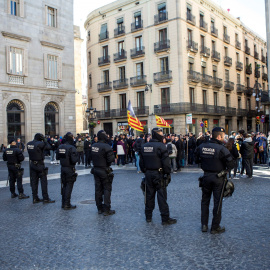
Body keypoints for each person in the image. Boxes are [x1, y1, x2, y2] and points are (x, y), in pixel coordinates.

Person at [195, 127, 235, 234]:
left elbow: (196, 159)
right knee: (217, 203)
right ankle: (215, 227)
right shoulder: (222, 149)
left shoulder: (202, 146)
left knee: (205, 201)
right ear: (219, 136)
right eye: (223, 136)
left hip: (206, 176)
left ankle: (204, 225)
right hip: (218, 178)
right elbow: (231, 164)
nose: (224, 138)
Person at [140, 127, 177, 225]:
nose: (162, 135)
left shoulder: (145, 146)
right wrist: (167, 173)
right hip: (159, 174)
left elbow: (141, 163)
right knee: (161, 197)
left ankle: (148, 217)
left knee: (149, 196)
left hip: (148, 174)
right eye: (160, 133)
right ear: (157, 134)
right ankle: (165, 219)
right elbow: (166, 164)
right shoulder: (161, 146)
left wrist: (146, 171)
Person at [91, 130, 115, 216]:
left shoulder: (93, 146)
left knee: (98, 189)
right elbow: (111, 159)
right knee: (107, 189)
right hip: (104, 170)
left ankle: (99, 208)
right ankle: (107, 209)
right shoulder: (106, 146)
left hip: (96, 169)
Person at [27, 133, 55, 204]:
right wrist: (45, 140)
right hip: (40, 164)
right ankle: (45, 198)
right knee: (43, 181)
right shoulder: (40, 144)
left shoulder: (29, 144)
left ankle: (35, 198)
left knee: (34, 182)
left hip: (32, 164)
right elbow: (49, 147)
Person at [56, 132, 79, 210]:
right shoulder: (71, 147)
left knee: (64, 186)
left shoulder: (60, 146)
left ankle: (63, 203)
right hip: (69, 168)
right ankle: (67, 204)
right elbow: (74, 160)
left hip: (63, 168)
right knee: (69, 186)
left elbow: (57, 157)